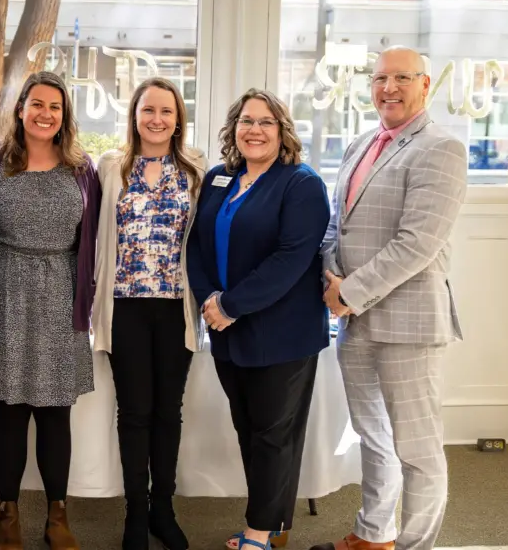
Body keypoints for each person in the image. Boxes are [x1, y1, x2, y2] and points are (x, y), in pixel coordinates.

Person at [313, 45, 466, 550]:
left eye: (402, 77)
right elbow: (337, 224)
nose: (389, 88)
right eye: (380, 78)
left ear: (425, 84)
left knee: (417, 449)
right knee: (372, 436)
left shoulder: (442, 147)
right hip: (355, 323)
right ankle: (374, 534)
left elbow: (417, 243)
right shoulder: (361, 144)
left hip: (408, 324)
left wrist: (349, 293)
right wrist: (332, 279)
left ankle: (415, 545)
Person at [183, 88, 330, 550]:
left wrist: (230, 305)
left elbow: (290, 259)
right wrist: (210, 299)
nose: (255, 130)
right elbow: (196, 245)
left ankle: (259, 532)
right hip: (228, 329)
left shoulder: (301, 184)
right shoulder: (219, 177)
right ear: (234, 129)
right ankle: (274, 523)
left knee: (272, 434)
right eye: (247, 121)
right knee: (250, 429)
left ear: (282, 130)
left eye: (266, 122)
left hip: (282, 333)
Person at [0, 71, 100, 550]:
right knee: (9, 414)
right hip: (4, 296)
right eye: (37, 104)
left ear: (65, 115)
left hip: (60, 296)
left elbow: (91, 241)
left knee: (55, 415)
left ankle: (57, 515)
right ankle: (8, 514)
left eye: (55, 107)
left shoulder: (82, 168)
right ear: (21, 108)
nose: (46, 114)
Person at [91, 77, 205, 550]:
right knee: (134, 412)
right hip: (125, 307)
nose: (157, 119)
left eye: (166, 111)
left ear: (178, 119)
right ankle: (136, 511)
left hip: (176, 308)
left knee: (168, 412)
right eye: (148, 110)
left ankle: (164, 509)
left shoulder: (196, 169)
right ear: (134, 116)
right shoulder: (111, 167)